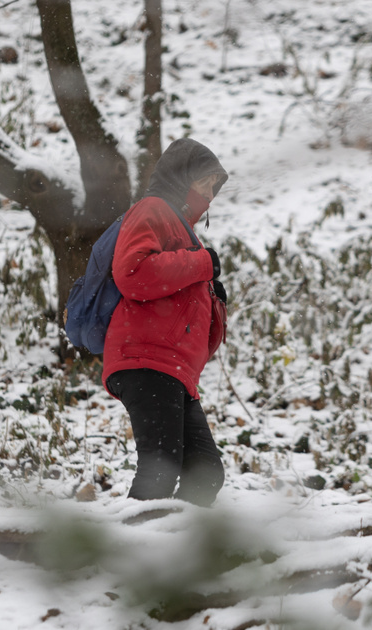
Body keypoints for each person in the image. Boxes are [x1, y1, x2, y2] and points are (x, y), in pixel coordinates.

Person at [103, 138, 229, 507]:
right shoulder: (152, 210)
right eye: (204, 183)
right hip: (147, 359)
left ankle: (172, 556)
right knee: (160, 471)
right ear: (181, 177)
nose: (209, 194)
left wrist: (211, 296)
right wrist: (204, 264)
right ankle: (127, 558)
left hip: (173, 368)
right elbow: (133, 273)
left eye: (213, 187)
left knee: (204, 471)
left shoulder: (180, 231)